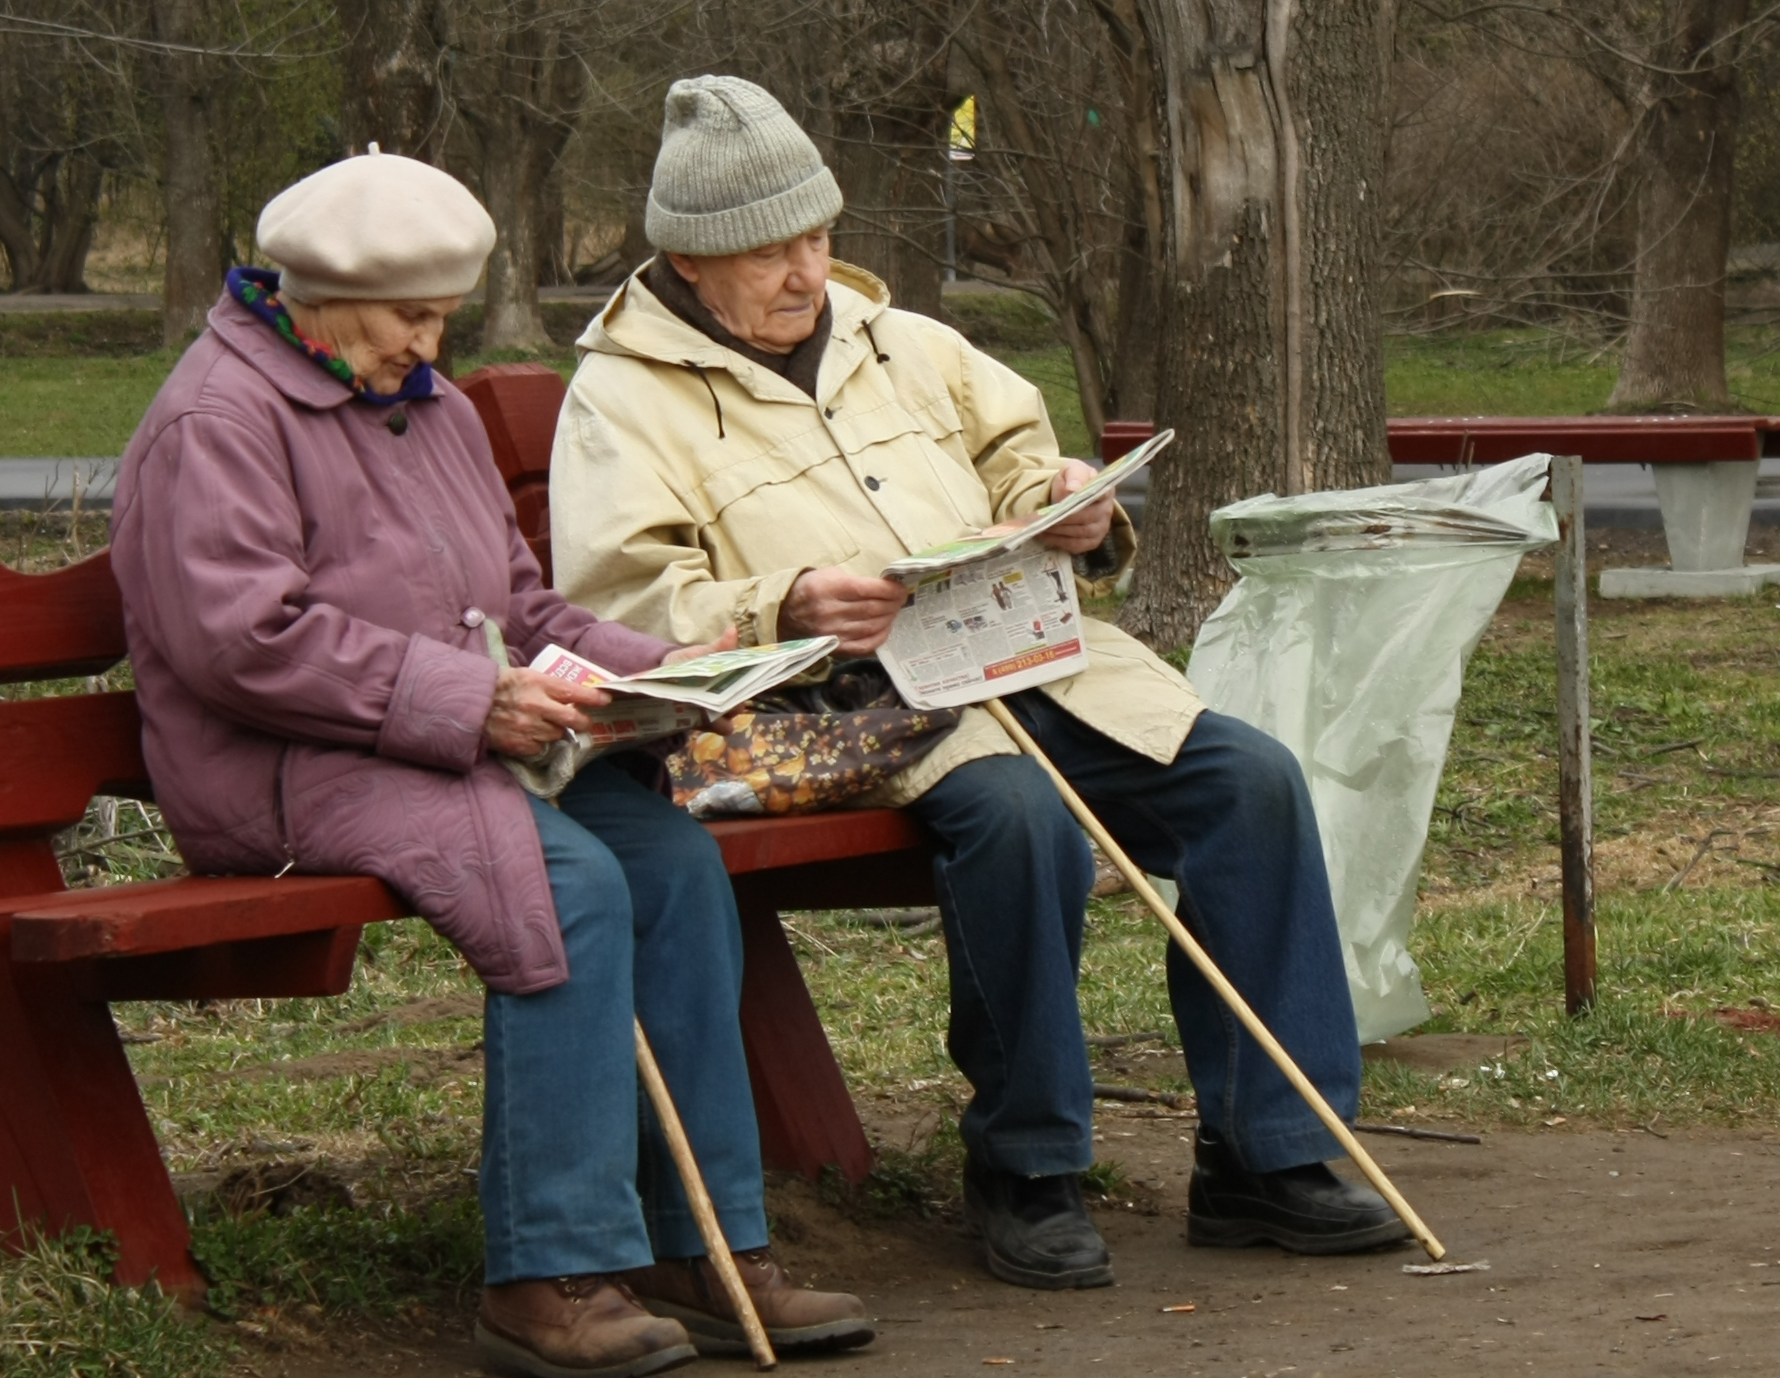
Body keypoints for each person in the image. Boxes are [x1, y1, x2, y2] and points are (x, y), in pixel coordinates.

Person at [551, 78, 1406, 1289]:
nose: (807, 273)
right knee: (1015, 816)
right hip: (836, 709)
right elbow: (619, 605)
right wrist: (785, 599)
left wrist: (1058, 501)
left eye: (817, 237)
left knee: (1247, 782)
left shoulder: (901, 341)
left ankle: (1271, 1155)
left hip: (1022, 653)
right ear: (690, 262)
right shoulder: (624, 399)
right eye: (768, 254)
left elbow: (1016, 448)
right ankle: (1026, 1168)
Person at [111, 148, 871, 1378]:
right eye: (408, 316)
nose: (428, 341)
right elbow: (240, 640)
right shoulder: (220, 418)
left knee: (668, 862)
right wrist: (471, 701)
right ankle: (548, 1272)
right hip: (283, 768)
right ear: (313, 294)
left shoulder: (432, 408)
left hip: (448, 745)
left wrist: (676, 672)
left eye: (439, 316)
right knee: (559, 881)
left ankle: (705, 1246)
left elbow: (521, 602)